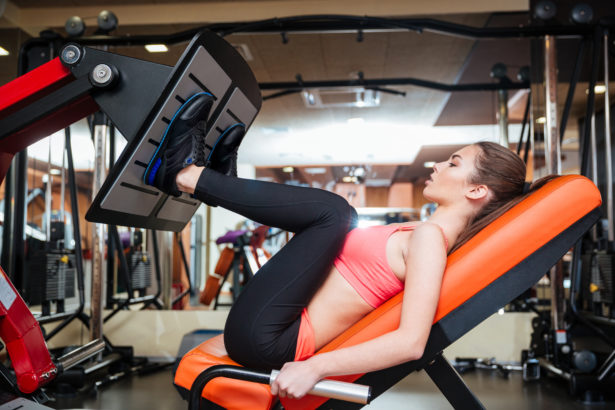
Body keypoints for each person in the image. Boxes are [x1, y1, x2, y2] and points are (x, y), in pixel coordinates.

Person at [144, 95, 554, 400]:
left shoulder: (430, 240)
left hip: (273, 340)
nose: (436, 166)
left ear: (477, 190)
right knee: (334, 217)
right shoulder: (420, 230)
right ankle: (215, 183)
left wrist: (314, 368)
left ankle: (184, 173)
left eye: (453, 163)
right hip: (271, 327)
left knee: (335, 213)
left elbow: (412, 342)